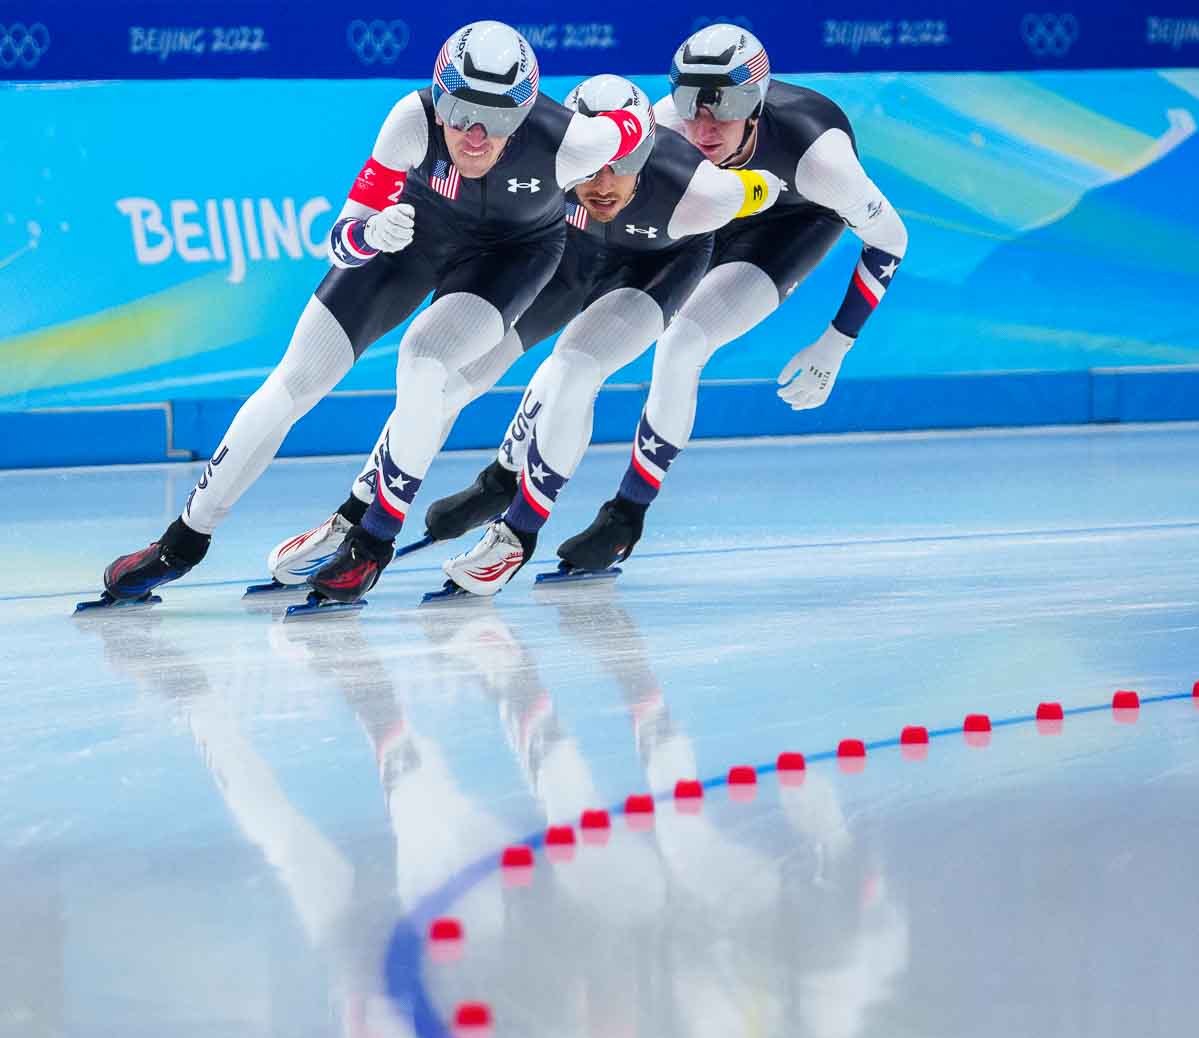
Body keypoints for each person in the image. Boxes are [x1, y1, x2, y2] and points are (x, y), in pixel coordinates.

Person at [86, 20, 663, 609]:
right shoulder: (410, 121)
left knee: (423, 364)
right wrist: (369, 234)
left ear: (523, 114)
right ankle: (182, 540)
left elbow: (639, 123)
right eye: (460, 111)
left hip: (512, 257)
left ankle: (371, 542)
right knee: (294, 381)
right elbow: (340, 238)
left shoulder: (573, 141)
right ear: (439, 100)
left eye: (496, 120)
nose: (472, 134)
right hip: (412, 236)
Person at [267, 74, 781, 597]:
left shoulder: (701, 191)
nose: (603, 184)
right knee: (450, 382)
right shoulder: (546, 161)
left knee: (574, 368)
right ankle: (358, 514)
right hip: (571, 259)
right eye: (593, 168)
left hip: (655, 269)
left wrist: (773, 192)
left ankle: (518, 533)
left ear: (642, 155)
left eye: (622, 167)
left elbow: (768, 189)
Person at [552, 23, 908, 573]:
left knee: (682, 343)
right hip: (710, 208)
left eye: (725, 106)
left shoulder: (822, 161)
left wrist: (836, 342)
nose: (703, 126)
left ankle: (625, 517)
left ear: (757, 104)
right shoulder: (658, 128)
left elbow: (891, 239)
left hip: (790, 222)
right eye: (690, 104)